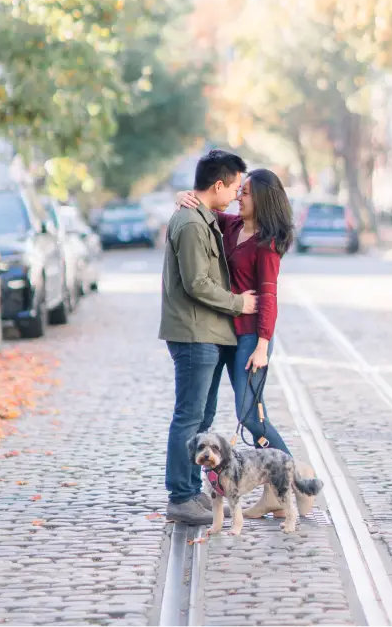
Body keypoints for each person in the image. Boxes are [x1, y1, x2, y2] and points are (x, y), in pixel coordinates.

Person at [177, 167, 316, 519]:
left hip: (252, 337)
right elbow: (208, 209)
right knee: (253, 414)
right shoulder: (234, 226)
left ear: (263, 200)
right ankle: (274, 493)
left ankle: (298, 479)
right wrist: (183, 198)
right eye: (241, 191)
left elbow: (269, 297)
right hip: (226, 333)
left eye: (248, 193)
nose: (240, 196)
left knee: (250, 415)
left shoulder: (266, 246)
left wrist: (262, 346)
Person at [160, 149, 258, 525]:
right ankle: (180, 496)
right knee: (189, 416)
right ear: (218, 184)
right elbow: (197, 283)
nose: (236, 194)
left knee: (202, 416)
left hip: (208, 332)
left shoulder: (203, 217)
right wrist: (239, 304)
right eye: (235, 186)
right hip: (194, 332)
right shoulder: (190, 223)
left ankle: (190, 489)